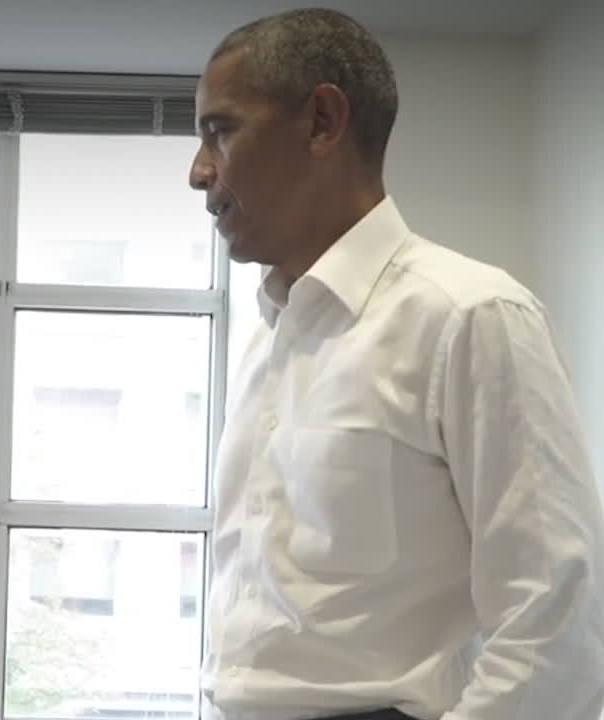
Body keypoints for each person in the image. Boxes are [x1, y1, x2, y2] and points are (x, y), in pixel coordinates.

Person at [190, 8, 604, 720]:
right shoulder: (270, 342)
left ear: (322, 122)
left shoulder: (471, 317)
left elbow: (557, 626)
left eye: (220, 132)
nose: (200, 173)